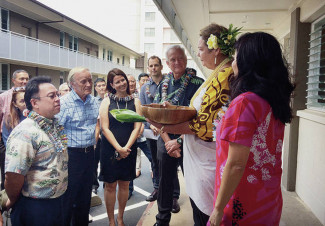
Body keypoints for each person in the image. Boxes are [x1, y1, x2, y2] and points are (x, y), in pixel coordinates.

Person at [148, 24, 240, 226]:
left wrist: (161, 124)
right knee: (169, 186)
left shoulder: (220, 78)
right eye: (172, 59)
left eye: (200, 49)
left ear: (215, 50)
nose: (197, 54)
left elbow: (205, 125)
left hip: (205, 160)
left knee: (204, 216)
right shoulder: (216, 74)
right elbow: (197, 113)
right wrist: (171, 112)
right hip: (196, 156)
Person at [208, 32, 295, 226]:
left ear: (249, 63)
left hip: (241, 201)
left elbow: (237, 164)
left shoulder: (245, 103)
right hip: (268, 198)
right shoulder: (272, 100)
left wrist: (218, 208)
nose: (232, 64)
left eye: (236, 59)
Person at [5, 76, 68, 225]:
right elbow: (13, 176)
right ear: (34, 103)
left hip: (58, 202)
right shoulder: (25, 132)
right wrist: (13, 200)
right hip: (36, 207)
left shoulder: (53, 124)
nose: (58, 99)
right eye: (52, 96)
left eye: (57, 95)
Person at [153, 45, 204, 226]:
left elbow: (200, 118)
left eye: (180, 58)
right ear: (167, 63)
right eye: (172, 60)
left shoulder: (199, 84)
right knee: (164, 182)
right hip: (165, 139)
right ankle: (162, 221)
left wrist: (179, 141)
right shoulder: (163, 85)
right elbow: (157, 116)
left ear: (186, 59)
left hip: (188, 140)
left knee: (193, 182)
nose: (177, 62)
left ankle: (199, 221)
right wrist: (168, 142)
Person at [56, 67, 100, 226]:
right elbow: (56, 132)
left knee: (84, 198)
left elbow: (96, 124)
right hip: (70, 156)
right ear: (72, 84)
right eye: (84, 81)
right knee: (68, 199)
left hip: (89, 155)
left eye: (90, 80)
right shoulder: (63, 104)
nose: (89, 84)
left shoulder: (94, 102)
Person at [99, 68, 141, 226]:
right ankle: (111, 220)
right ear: (112, 84)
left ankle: (121, 218)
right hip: (110, 149)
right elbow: (105, 128)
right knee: (110, 185)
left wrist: (126, 148)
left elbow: (137, 128)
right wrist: (118, 148)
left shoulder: (135, 101)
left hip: (129, 148)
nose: (122, 83)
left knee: (125, 183)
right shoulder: (106, 102)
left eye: (123, 79)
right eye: (117, 81)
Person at [139, 56, 180, 204]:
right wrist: (152, 125)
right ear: (148, 68)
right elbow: (143, 110)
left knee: (170, 163)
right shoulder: (145, 88)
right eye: (151, 66)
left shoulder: (169, 83)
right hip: (152, 131)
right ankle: (157, 188)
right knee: (155, 162)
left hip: (168, 131)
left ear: (162, 67)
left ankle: (174, 196)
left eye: (156, 65)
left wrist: (161, 126)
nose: (153, 68)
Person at [0, 69, 29, 190]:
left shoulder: (30, 95)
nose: (24, 81)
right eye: (21, 79)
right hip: (6, 138)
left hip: (27, 144)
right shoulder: (3, 97)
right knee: (8, 174)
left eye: (27, 79)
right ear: (13, 80)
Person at [127, 74, 152, 199]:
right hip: (129, 137)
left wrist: (141, 126)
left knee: (153, 159)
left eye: (132, 81)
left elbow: (144, 113)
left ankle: (157, 188)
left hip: (142, 136)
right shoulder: (122, 97)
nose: (131, 84)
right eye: (128, 81)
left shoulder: (140, 94)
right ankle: (129, 190)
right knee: (130, 164)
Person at [93, 77, 107, 194]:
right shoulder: (93, 102)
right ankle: (94, 185)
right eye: (99, 86)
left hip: (108, 136)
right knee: (94, 161)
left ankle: (107, 183)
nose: (102, 87)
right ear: (95, 88)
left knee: (106, 161)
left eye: (103, 85)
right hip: (97, 136)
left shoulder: (110, 99)